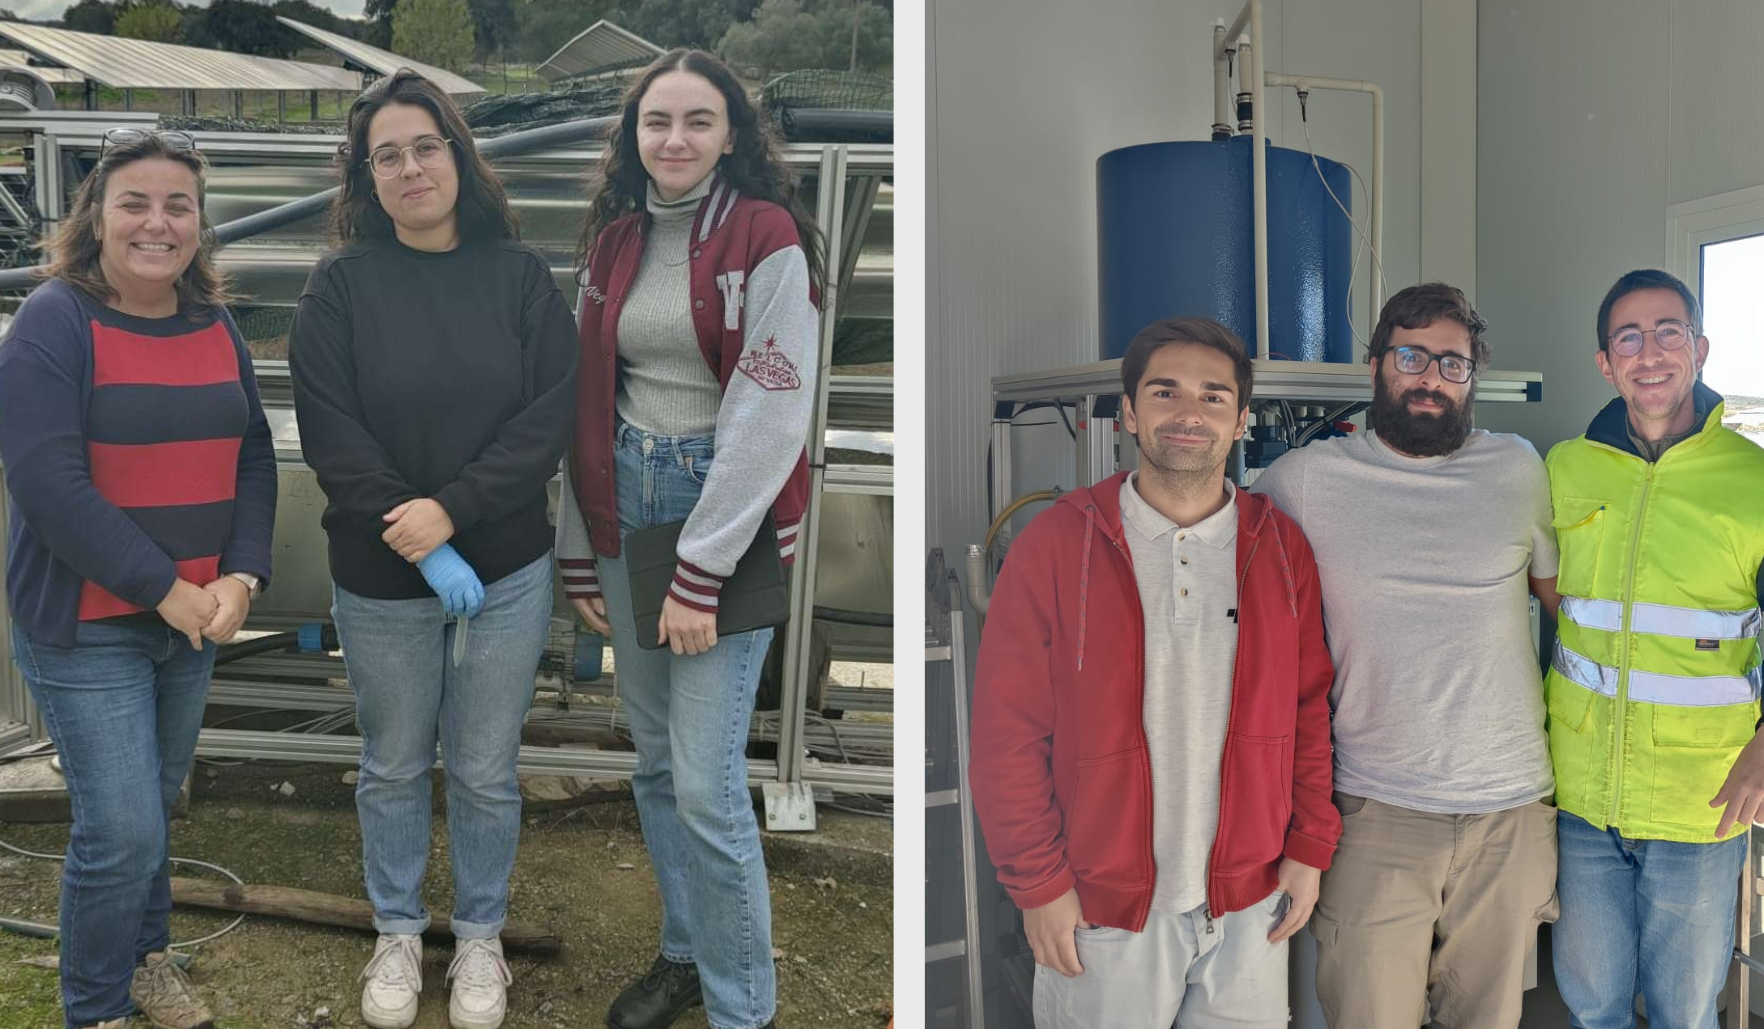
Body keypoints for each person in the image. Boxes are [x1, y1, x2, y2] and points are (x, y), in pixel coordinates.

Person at [288, 70, 577, 1029]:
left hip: (504, 568)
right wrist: (412, 532)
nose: (410, 168)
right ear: (365, 179)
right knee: (395, 762)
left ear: (457, 153)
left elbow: (549, 418)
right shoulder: (340, 285)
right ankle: (400, 929)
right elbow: (330, 428)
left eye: (425, 146)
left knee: (487, 766)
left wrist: (452, 513)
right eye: (387, 155)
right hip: (378, 576)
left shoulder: (520, 278)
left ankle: (482, 934)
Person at [968, 317, 1339, 1029]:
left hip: (1248, 904)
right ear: (1130, 412)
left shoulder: (1281, 545)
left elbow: (1308, 710)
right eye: (1165, 392)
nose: (1189, 413)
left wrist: (1308, 849)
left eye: (1213, 396)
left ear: (1240, 423)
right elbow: (1006, 734)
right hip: (1103, 910)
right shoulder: (1056, 544)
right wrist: (1038, 884)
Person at [555, 48, 821, 1029]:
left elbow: (765, 420)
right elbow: (588, 398)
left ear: (732, 135)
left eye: (697, 121)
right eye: (655, 120)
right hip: (628, 495)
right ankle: (683, 953)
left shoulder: (767, 237)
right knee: (659, 765)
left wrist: (701, 578)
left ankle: (743, 1006)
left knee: (707, 785)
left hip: (724, 508)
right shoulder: (615, 240)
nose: (673, 139)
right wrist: (583, 547)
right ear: (632, 134)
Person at [0, 128, 276, 1029]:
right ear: (97, 215)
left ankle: (148, 960)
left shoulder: (215, 321)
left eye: (178, 205)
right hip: (89, 623)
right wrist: (164, 586)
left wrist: (243, 575)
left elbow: (255, 456)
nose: (157, 223)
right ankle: (95, 1007)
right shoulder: (56, 318)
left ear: (199, 222)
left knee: (151, 810)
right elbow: (47, 480)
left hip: (193, 618)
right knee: (119, 831)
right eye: (135, 203)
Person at [1251, 282, 1560, 1029]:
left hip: (1509, 810)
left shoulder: (1520, 470)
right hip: (1375, 809)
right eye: (1412, 356)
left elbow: (1569, 608)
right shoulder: (1304, 480)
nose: (1430, 377)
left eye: (1452, 363)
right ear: (1375, 367)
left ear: (1472, 378)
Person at [1543, 268, 1764, 1029]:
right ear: (1606, 362)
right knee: (1594, 1003)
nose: (1650, 352)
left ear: (1698, 348)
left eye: (1668, 331)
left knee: (1682, 1011)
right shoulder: (1564, 467)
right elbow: (1547, 597)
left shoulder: (1754, 479)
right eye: (1628, 337)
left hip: (1700, 800)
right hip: (1581, 797)